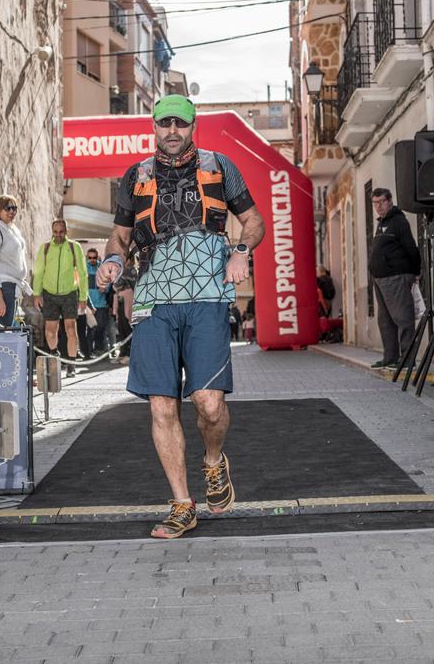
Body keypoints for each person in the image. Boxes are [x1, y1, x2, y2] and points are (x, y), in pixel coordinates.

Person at [96, 94, 264, 539]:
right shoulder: (136, 176)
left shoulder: (219, 165)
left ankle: (213, 463)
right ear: (154, 126)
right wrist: (112, 261)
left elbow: (253, 220)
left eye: (181, 123)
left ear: (193, 127)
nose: (172, 131)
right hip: (153, 299)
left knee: (209, 404)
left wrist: (242, 252)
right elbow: (119, 236)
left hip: (207, 295)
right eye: (164, 123)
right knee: (161, 405)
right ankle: (182, 504)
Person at [368, 187, 421, 370]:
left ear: (390, 201)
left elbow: (411, 247)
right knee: (385, 321)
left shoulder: (398, 221)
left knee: (403, 319)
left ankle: (407, 360)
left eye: (382, 202)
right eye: (375, 203)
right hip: (380, 279)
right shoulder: (381, 222)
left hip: (396, 277)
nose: (379, 206)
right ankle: (390, 357)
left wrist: (415, 272)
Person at [33, 218, 88, 360]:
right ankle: (54, 352)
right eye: (55, 232)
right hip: (49, 293)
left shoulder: (74, 247)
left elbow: (82, 273)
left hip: (69, 293)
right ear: (52, 232)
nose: (58, 235)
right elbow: (38, 272)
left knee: (71, 329)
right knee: (50, 331)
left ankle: (71, 362)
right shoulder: (45, 248)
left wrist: (83, 297)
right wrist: (36, 294)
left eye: (61, 232)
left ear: (66, 231)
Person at [0, 194, 31, 328]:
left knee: (6, 331)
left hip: (12, 286)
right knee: (0, 332)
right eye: (8, 208)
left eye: (14, 208)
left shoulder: (12, 230)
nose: (12, 211)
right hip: (2, 286)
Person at [81, 247, 113, 358]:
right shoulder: (83, 267)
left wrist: (106, 288)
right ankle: (88, 352)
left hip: (101, 304)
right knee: (89, 330)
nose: (92, 260)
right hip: (88, 304)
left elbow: (109, 282)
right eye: (90, 258)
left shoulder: (102, 268)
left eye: (94, 257)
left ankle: (99, 350)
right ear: (87, 257)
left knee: (100, 328)